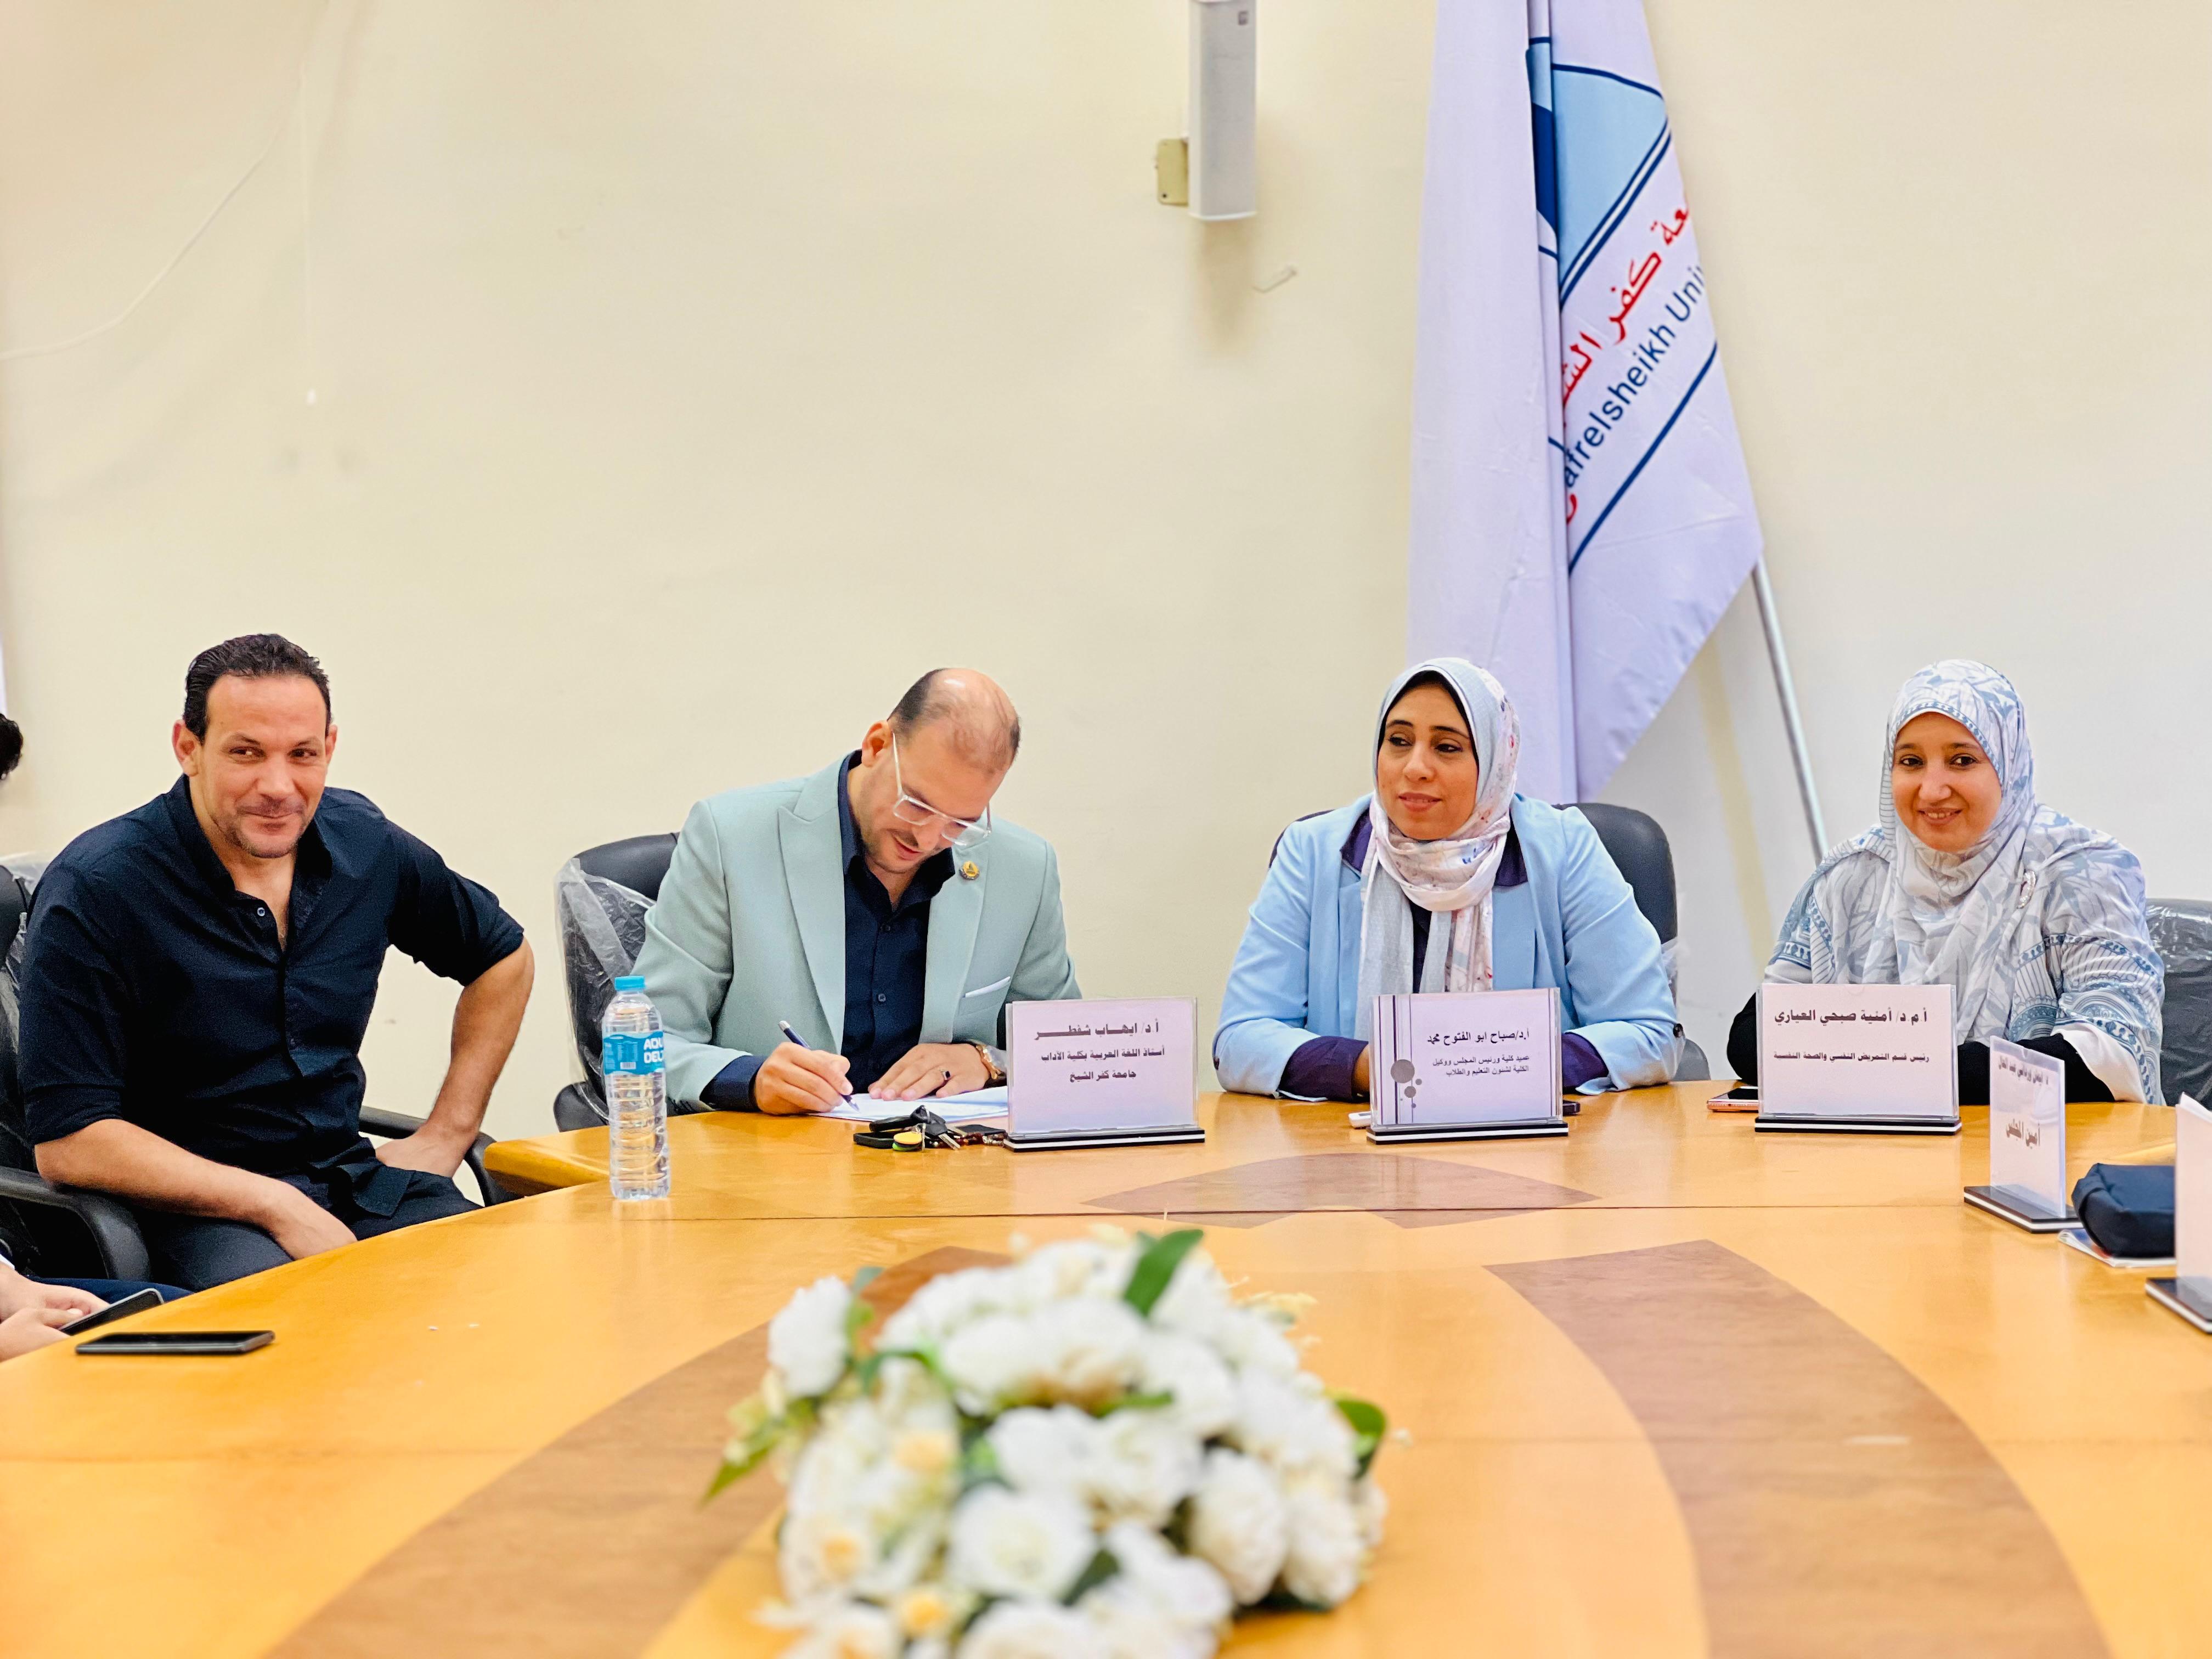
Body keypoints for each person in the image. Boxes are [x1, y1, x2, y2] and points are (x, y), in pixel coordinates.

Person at [20, 635, 534, 1290]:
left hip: (351, 1180)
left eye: (302, 755)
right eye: (246, 753)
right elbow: (71, 1141)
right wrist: (274, 1204)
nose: (278, 786)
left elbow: (503, 959)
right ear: (188, 748)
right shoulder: (99, 887)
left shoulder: (364, 844)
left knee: (504, 1285)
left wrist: (449, 1131)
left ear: (330, 749)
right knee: (307, 1320)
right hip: (188, 1212)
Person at [1214, 657, 1680, 1100]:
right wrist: (1374, 1069)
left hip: (1534, 1141)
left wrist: (1491, 1068)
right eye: (1399, 741)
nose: (1415, 767)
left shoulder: (1563, 849)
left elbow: (1648, 1033)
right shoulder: (1314, 852)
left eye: (1447, 747)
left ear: (1495, 762)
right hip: (1349, 1140)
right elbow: (1241, 1039)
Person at [636, 668, 1079, 1114]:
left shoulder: (1024, 869)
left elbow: (1068, 1050)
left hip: (949, 1151)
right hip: (773, 1149)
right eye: (917, 804)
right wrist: (751, 1079)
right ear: (877, 746)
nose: (927, 840)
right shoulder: (731, 837)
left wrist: (988, 1061)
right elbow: (645, 1039)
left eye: (960, 822)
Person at [1725, 659, 2162, 1104]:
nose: (1932, 790)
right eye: (1911, 762)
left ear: (2008, 764)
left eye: (1962, 761)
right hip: (1874, 1139)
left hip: (2048, 1142)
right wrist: (1911, 1071)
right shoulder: (1856, 875)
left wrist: (1889, 1067)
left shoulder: (2082, 873)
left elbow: (2109, 1056)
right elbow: (1756, 1038)